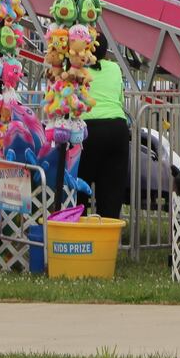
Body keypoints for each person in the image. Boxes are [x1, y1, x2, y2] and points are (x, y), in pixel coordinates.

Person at [76, 33, 130, 220]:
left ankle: (78, 235)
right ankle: (107, 239)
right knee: (111, 192)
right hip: (116, 128)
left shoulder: (77, 68)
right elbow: (119, 98)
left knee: (78, 188)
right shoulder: (114, 68)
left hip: (85, 131)